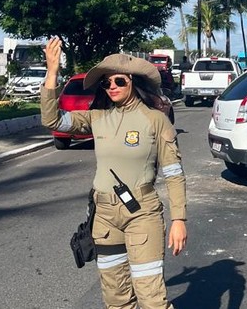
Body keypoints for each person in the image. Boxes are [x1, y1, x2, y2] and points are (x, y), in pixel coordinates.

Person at [40, 37, 187, 309]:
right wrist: (52, 72)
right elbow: (52, 119)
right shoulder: (97, 118)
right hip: (104, 217)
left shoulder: (156, 120)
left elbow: (174, 173)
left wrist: (179, 218)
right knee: (116, 299)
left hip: (142, 214)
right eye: (106, 82)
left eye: (119, 81)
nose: (112, 87)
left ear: (133, 81)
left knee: (152, 299)